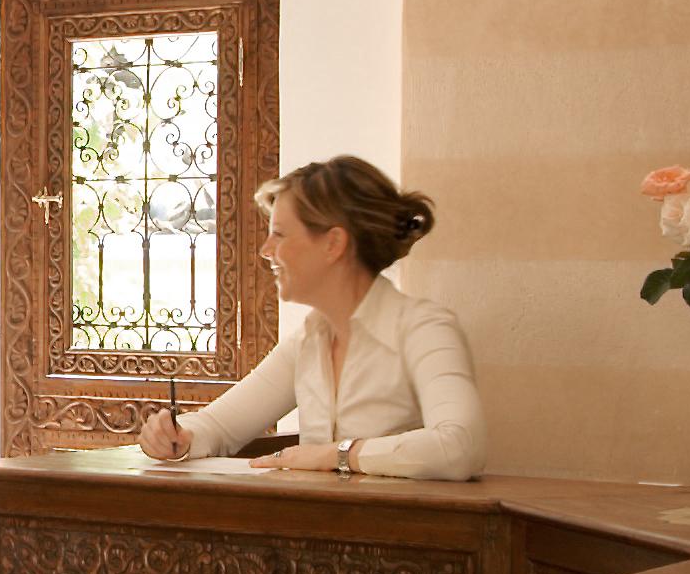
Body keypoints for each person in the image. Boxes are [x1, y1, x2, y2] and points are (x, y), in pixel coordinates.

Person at [139, 155, 489, 478]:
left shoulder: (425, 329)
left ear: (333, 244)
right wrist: (178, 439)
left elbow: (461, 446)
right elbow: (219, 425)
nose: (265, 251)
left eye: (279, 234)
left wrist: (336, 456)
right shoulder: (308, 341)